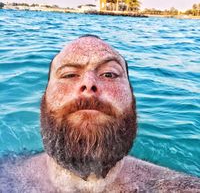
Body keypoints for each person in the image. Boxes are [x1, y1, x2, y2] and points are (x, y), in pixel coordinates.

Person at [1, 35, 200, 193]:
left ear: (132, 99)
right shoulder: (5, 177)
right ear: (44, 99)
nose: (89, 84)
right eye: (69, 74)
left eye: (110, 74)